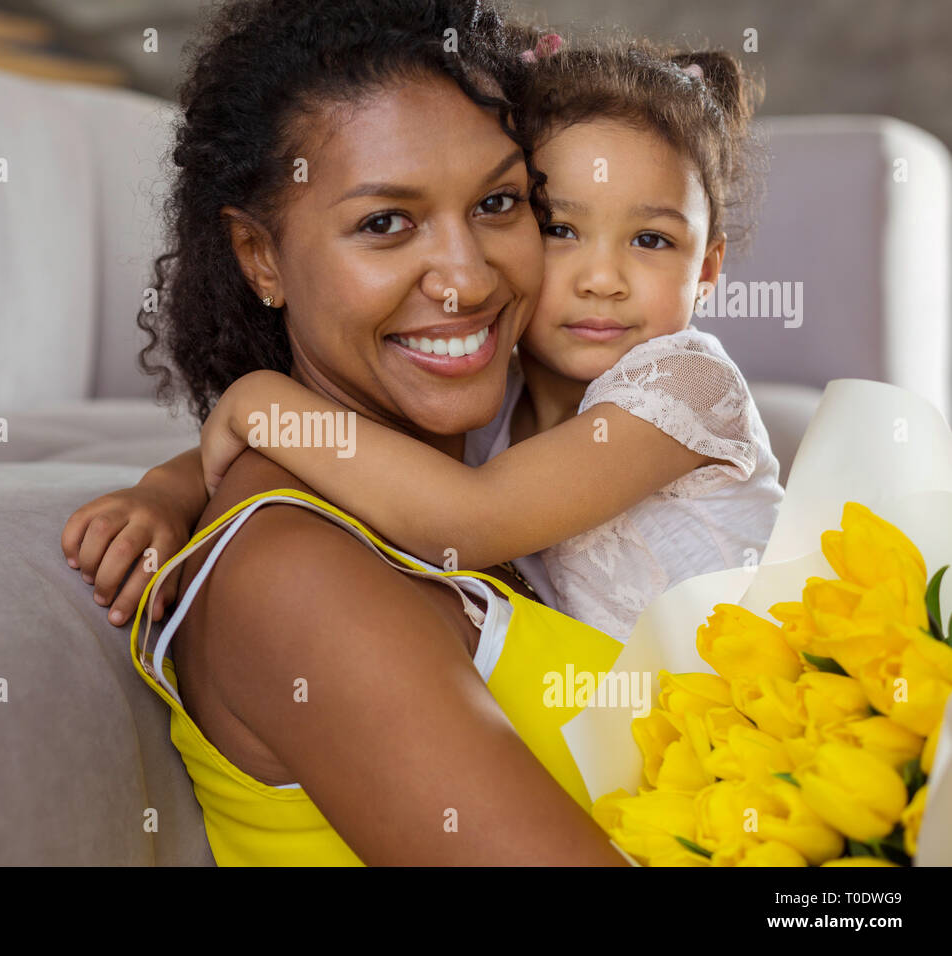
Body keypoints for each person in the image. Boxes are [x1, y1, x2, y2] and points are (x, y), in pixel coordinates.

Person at [62, 0, 628, 865]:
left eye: (499, 202)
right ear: (261, 257)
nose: (467, 280)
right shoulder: (296, 575)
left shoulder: (502, 457)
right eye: (384, 223)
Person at [194, 35, 783, 641]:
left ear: (707, 271)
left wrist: (259, 403)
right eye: (559, 228)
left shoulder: (685, 386)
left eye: (651, 240)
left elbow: (470, 522)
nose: (603, 281)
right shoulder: (494, 391)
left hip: (773, 712)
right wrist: (171, 490)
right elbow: (360, 447)